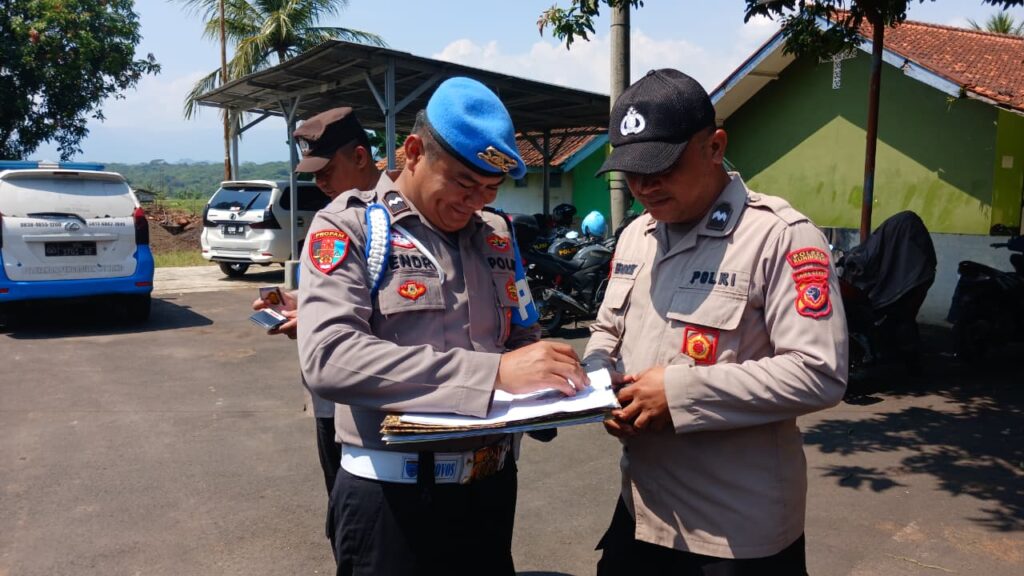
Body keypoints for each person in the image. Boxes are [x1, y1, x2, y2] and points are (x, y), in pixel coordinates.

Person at [297, 76, 590, 576]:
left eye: (490, 189)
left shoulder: (496, 234)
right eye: (462, 183)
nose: (475, 202)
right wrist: (493, 375)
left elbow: (521, 336)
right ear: (413, 152)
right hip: (392, 500)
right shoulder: (350, 226)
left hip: (489, 491)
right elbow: (329, 359)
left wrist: (549, 381)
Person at [583, 68, 848, 575]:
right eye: (632, 171)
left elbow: (820, 372)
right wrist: (599, 386)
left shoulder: (779, 237)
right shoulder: (636, 235)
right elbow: (606, 332)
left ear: (714, 147)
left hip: (735, 531)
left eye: (662, 166)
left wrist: (677, 392)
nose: (645, 186)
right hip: (642, 511)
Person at [251, 107, 385, 502]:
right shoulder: (334, 215)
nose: (319, 181)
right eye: (313, 173)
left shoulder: (398, 215)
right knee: (343, 505)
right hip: (330, 398)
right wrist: (300, 302)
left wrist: (310, 319)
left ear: (359, 157)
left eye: (326, 170)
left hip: (376, 399)